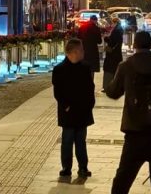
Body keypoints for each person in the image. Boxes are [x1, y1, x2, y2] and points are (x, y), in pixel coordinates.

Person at [106, 30, 151, 194]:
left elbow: (114, 92)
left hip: (135, 132)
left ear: (134, 45)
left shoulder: (126, 66)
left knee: (122, 181)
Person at [52, 36, 95, 180]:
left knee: (81, 141)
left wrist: (90, 104)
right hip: (68, 112)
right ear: (74, 52)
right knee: (67, 140)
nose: (83, 52)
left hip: (83, 110)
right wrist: (66, 106)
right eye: (81, 50)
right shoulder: (59, 69)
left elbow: (90, 88)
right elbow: (58, 92)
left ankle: (83, 166)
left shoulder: (85, 67)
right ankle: (66, 167)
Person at [102, 19, 124, 93]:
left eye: (112, 23)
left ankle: (109, 86)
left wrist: (106, 38)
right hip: (116, 54)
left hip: (113, 54)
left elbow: (112, 41)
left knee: (110, 70)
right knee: (115, 70)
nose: (111, 24)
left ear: (115, 23)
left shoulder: (116, 31)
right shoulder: (119, 29)